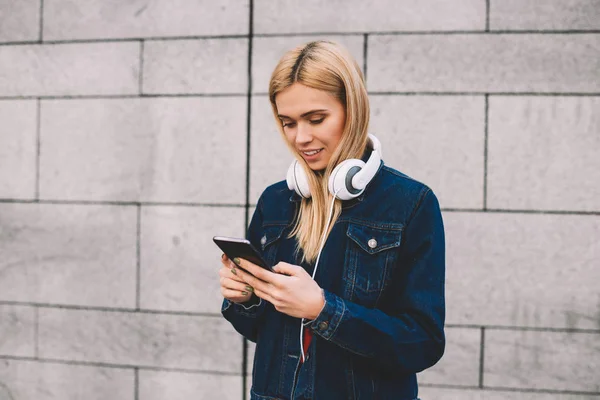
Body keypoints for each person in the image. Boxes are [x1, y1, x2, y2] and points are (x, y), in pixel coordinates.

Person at [219, 40, 445, 400]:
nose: (301, 138)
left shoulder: (410, 204)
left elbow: (422, 342)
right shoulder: (275, 201)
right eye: (288, 123)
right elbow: (262, 331)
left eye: (316, 119)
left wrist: (324, 310)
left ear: (351, 109)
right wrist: (246, 298)